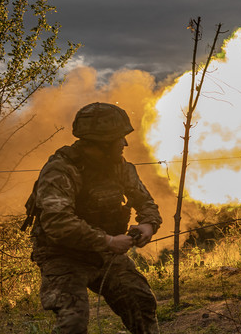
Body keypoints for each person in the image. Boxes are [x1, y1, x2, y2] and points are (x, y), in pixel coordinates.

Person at [23, 102, 162, 333]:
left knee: (140, 302)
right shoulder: (62, 169)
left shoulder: (120, 167)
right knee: (73, 322)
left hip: (104, 254)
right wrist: (108, 241)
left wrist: (148, 224)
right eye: (119, 138)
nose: (124, 143)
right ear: (101, 143)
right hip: (61, 255)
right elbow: (57, 223)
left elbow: (146, 201)